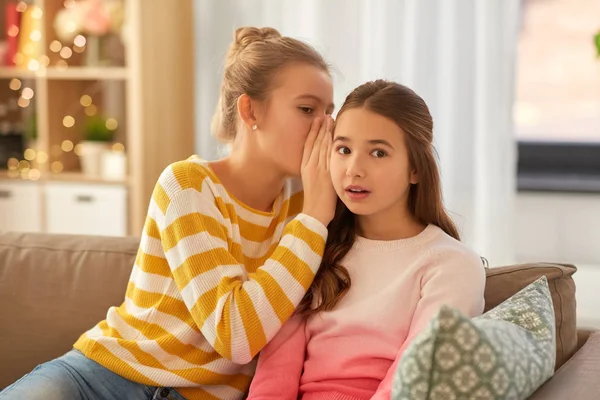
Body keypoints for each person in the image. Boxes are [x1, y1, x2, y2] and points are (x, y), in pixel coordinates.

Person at [0, 27, 337, 400]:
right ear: (250, 110)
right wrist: (313, 220)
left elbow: (242, 342)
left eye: (329, 112)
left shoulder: (312, 207)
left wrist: (316, 215)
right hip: (102, 377)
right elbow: (235, 331)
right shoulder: (188, 185)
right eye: (307, 109)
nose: (325, 128)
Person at [246, 80, 487, 400]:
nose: (354, 169)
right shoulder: (311, 247)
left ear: (415, 168)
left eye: (378, 153)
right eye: (343, 149)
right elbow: (275, 375)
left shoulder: (451, 265)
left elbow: (414, 380)